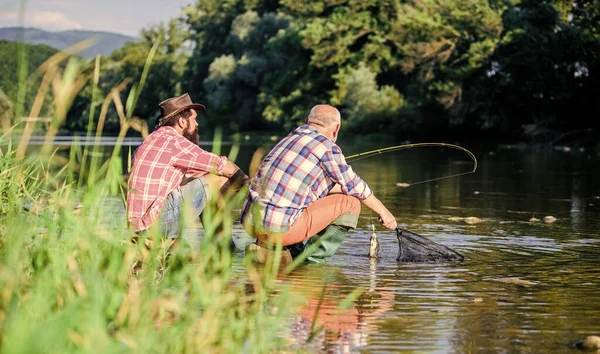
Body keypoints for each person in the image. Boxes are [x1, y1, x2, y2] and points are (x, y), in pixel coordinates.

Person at [240, 104, 397, 265]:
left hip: (250, 224)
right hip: (278, 231)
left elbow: (316, 186)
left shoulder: (289, 138)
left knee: (339, 195)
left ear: (307, 120)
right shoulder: (326, 147)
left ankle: (276, 248)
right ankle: (312, 261)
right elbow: (355, 186)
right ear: (337, 128)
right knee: (351, 203)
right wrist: (384, 212)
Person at [127, 93, 248, 240]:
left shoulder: (150, 141)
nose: (197, 124)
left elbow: (198, 174)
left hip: (138, 227)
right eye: (194, 119)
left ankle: (210, 243)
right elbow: (223, 166)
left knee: (204, 183)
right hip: (156, 224)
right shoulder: (174, 141)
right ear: (182, 122)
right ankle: (222, 246)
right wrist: (250, 188)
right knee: (218, 180)